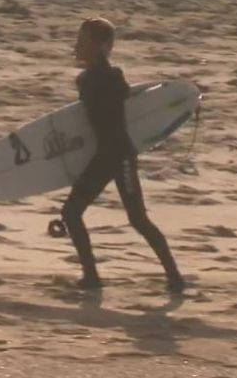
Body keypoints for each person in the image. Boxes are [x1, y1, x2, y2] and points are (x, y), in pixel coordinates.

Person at [62, 17, 185, 293]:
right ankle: (91, 277)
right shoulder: (86, 78)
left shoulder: (111, 76)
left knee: (137, 219)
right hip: (103, 156)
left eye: (83, 40)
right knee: (71, 213)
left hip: (119, 156)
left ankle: (175, 276)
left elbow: (123, 99)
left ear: (101, 45)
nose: (77, 46)